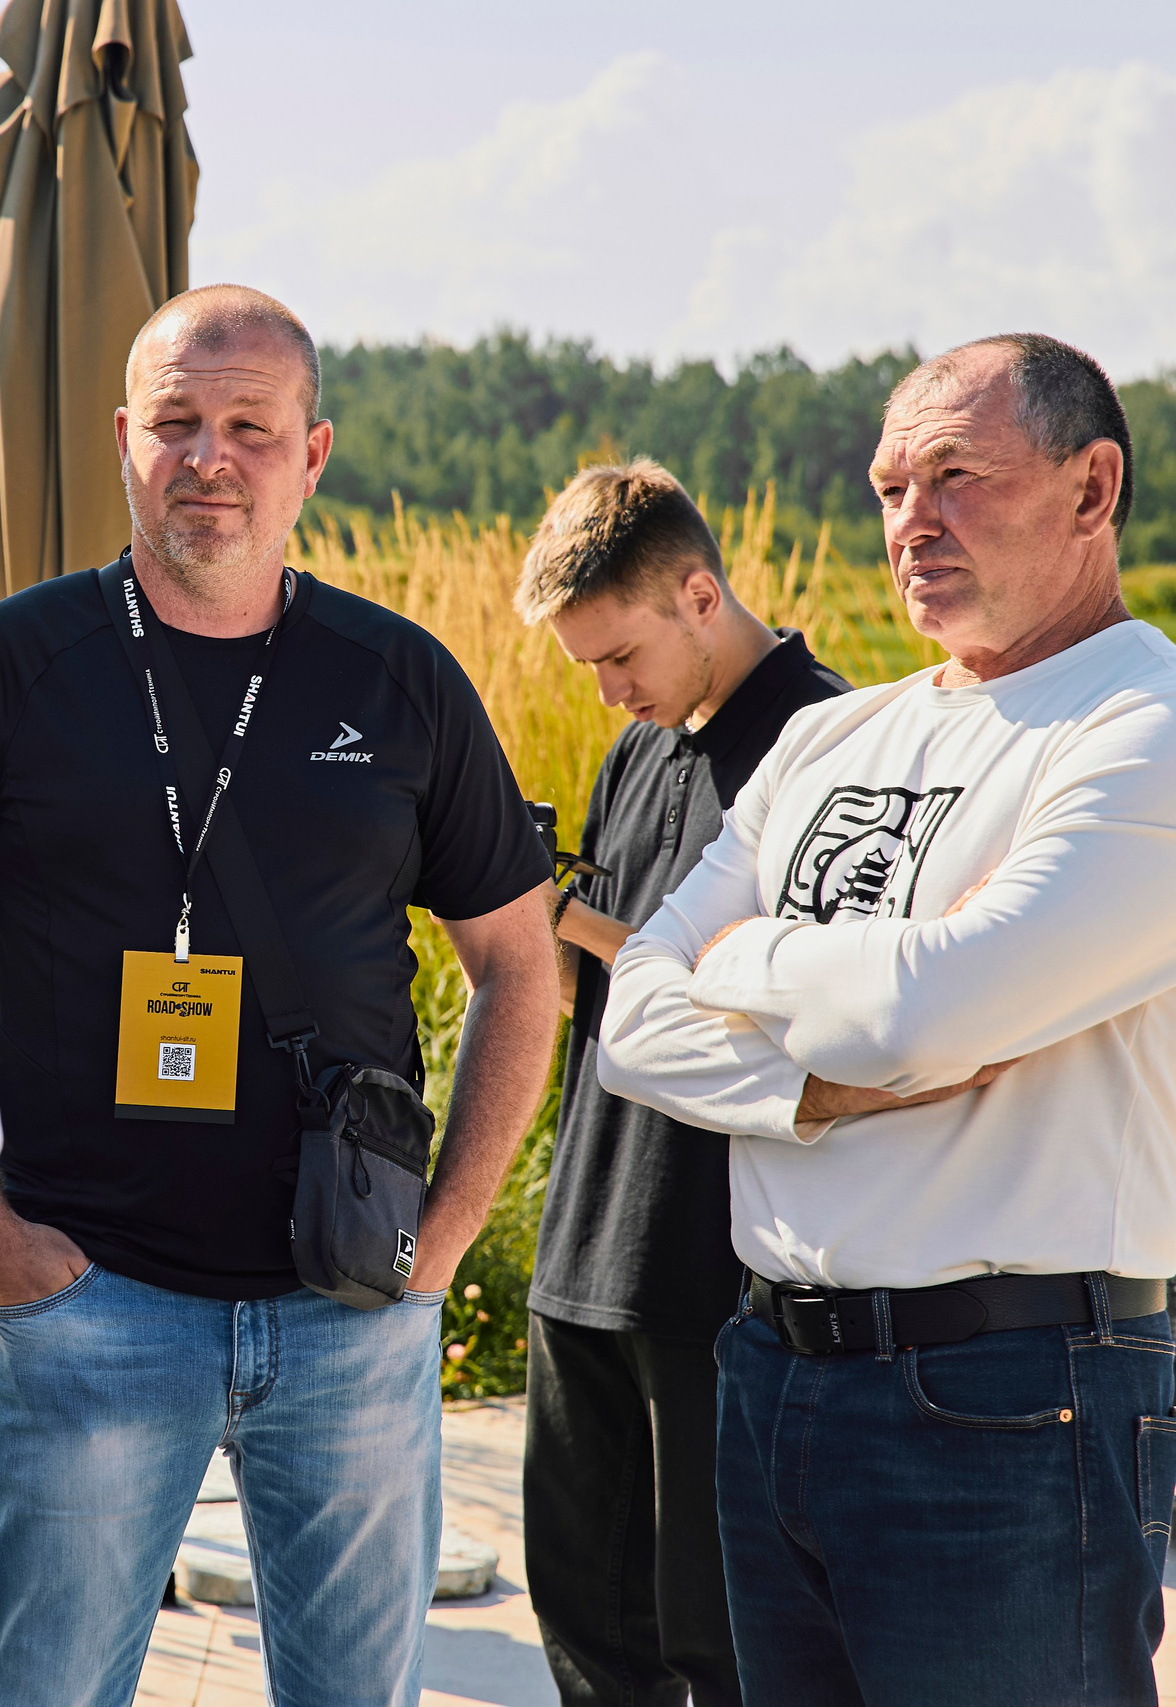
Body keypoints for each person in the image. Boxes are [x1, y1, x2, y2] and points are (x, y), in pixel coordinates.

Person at [598, 334, 1176, 1704]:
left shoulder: (1164, 726)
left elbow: (921, 1010)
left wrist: (757, 951)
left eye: (958, 476)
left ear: (1094, 488)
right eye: (891, 486)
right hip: (772, 1374)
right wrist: (812, 1084)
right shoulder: (832, 739)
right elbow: (632, 1016)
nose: (913, 520)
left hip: (1009, 1396)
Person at [0, 283, 561, 1707]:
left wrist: (442, 1244)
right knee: (42, 1688)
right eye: (178, 423)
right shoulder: (13, 669)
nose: (210, 456)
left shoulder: (401, 680)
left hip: (350, 1299)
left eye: (249, 427)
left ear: (312, 454)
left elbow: (521, 961)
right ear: (123, 440)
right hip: (88, 1298)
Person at [512, 459, 848, 1707]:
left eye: (618, 658)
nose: (608, 694)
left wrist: (574, 916)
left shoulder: (825, 744)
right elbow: (598, 1008)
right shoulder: (637, 752)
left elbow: (784, 996)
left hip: (718, 1274)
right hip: (585, 1243)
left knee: (718, 1642)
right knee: (589, 1632)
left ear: (699, 594)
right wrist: (520, 923)